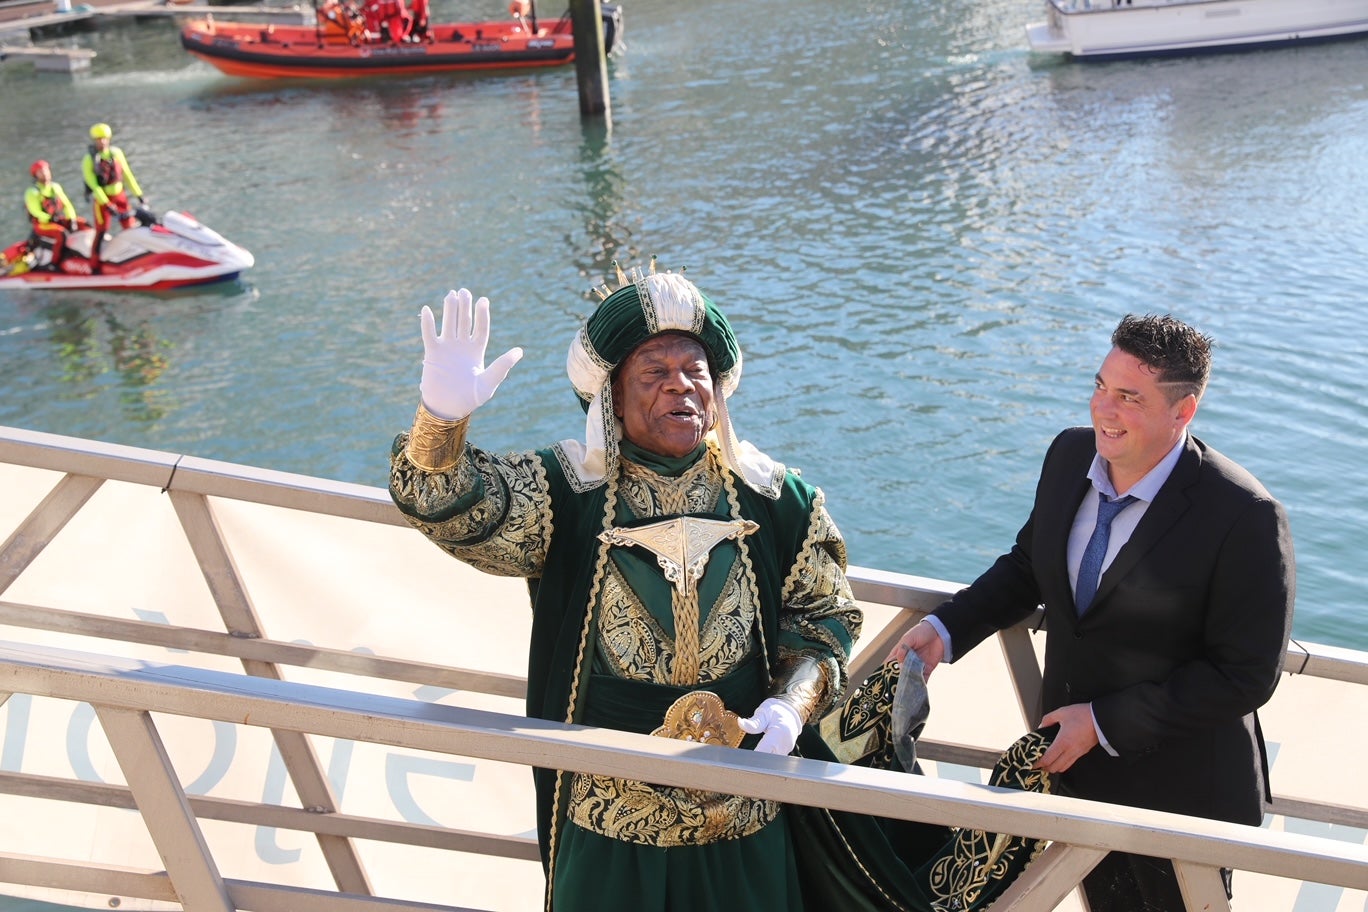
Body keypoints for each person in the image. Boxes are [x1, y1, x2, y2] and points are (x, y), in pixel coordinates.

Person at [389, 262, 863, 911]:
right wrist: (441, 421)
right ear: (610, 394)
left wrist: (791, 705)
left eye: (696, 372)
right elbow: (450, 504)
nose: (681, 389)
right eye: (655, 373)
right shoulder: (566, 490)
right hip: (609, 814)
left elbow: (824, 616)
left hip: (746, 803)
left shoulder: (775, 497)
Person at [887, 313, 1296, 911]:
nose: (1104, 408)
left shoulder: (1245, 515)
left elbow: (1246, 673)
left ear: (1184, 411)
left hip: (1183, 801)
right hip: (1078, 780)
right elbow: (1029, 567)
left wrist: (1103, 723)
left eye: (1129, 397)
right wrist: (948, 628)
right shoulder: (1068, 454)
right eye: (1101, 386)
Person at [81, 122, 145, 268]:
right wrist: (107, 204)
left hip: (120, 196)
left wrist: (139, 195)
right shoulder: (89, 160)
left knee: (130, 226)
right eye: (98, 139)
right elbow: (94, 185)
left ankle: (136, 256)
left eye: (104, 138)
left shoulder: (116, 153)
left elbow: (127, 175)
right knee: (101, 230)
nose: (102, 142)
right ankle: (93, 264)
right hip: (102, 201)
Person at [23, 160, 82, 270]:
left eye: (46, 170)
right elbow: (35, 211)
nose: (45, 174)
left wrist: (72, 219)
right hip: (42, 224)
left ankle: (83, 257)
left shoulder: (55, 187)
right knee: (61, 234)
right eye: (40, 172)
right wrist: (50, 218)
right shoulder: (32, 192)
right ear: (35, 175)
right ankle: (54, 263)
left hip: (56, 219)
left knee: (83, 224)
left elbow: (67, 204)